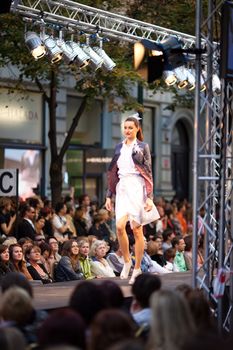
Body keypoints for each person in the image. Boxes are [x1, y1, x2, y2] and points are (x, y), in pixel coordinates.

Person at [105, 114, 159, 284]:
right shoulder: (118, 147)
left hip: (137, 187)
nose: (127, 130)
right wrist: (108, 196)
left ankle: (137, 268)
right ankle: (127, 262)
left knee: (137, 230)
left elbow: (148, 172)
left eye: (130, 128)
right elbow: (113, 172)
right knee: (120, 227)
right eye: (125, 128)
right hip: (122, 188)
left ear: (137, 129)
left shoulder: (143, 146)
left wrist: (149, 197)